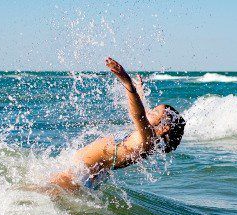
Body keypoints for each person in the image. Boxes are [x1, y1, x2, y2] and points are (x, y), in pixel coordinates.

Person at [50, 57, 185, 191]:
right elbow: (141, 110)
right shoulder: (146, 140)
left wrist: (128, 83)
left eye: (155, 112)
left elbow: (139, 115)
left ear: (163, 128)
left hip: (81, 173)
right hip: (90, 174)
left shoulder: (147, 140)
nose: (150, 111)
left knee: (39, 191)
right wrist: (139, 91)